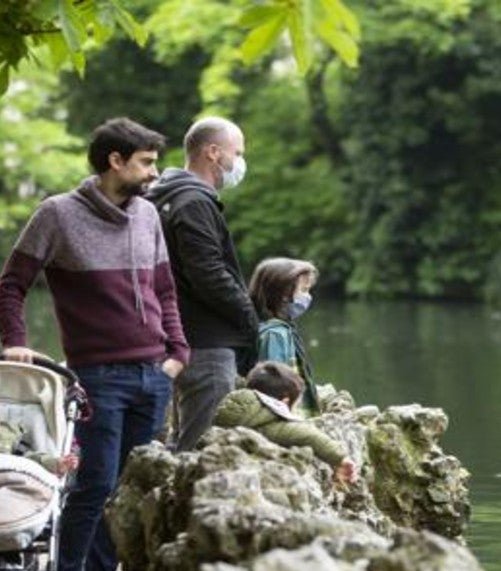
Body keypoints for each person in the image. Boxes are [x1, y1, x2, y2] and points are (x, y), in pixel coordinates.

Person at [0, 117, 189, 571]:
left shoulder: (148, 215)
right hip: (97, 375)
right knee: (95, 486)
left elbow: (165, 290)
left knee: (130, 491)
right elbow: (12, 284)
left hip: (154, 374)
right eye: (146, 161)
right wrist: (15, 343)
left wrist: (177, 353)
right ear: (115, 161)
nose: (154, 171)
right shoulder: (56, 215)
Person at [146, 116, 259, 452]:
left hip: (174, 337)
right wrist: (249, 316)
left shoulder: (163, 197)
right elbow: (208, 274)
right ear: (213, 152)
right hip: (206, 344)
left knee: (177, 445)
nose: (240, 162)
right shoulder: (193, 202)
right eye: (236, 153)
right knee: (199, 452)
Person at [216, 361, 356, 483]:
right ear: (285, 402)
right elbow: (309, 435)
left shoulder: (225, 407)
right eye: (294, 406)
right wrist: (341, 459)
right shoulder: (267, 424)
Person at [249, 257, 321, 415]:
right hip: (284, 413)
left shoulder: (284, 329)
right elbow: (273, 384)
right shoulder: (274, 334)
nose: (307, 297)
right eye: (303, 290)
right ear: (282, 293)